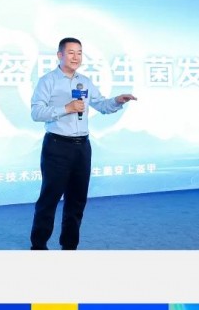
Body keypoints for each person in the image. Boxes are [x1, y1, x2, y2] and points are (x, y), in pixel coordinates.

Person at [29, 37, 136, 250]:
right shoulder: (47, 80)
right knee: (49, 199)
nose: (76, 57)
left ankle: (70, 246)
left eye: (79, 53)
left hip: (82, 148)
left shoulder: (85, 82)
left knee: (77, 200)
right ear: (60, 55)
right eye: (71, 52)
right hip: (57, 146)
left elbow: (101, 104)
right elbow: (36, 112)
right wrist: (66, 109)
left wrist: (117, 101)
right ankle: (38, 246)